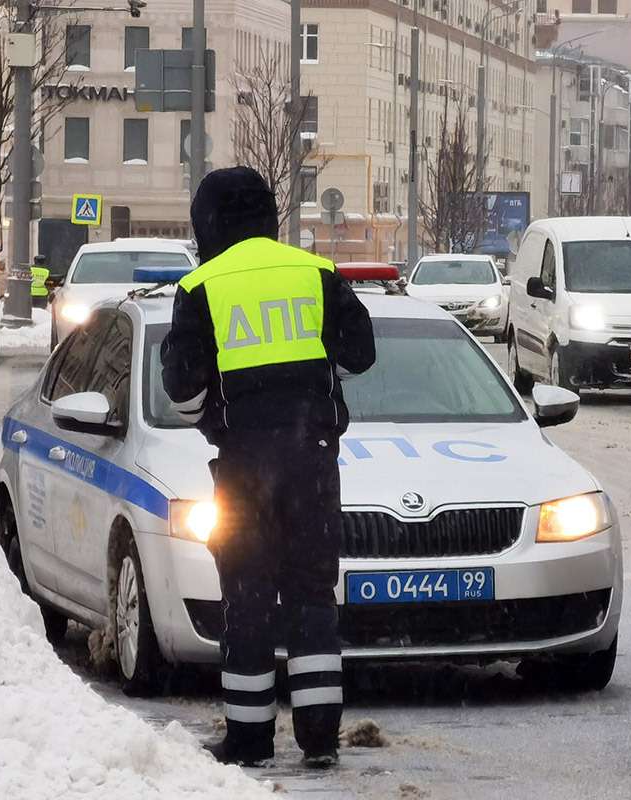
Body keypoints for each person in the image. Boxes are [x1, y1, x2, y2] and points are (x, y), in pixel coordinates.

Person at [161, 166, 375, 768]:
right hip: (313, 462)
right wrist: (313, 388)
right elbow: (361, 353)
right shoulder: (318, 273)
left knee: (248, 597)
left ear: (207, 223)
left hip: (242, 469)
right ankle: (320, 739)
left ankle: (249, 741)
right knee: (312, 597)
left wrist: (217, 421)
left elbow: (181, 388)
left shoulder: (199, 286)